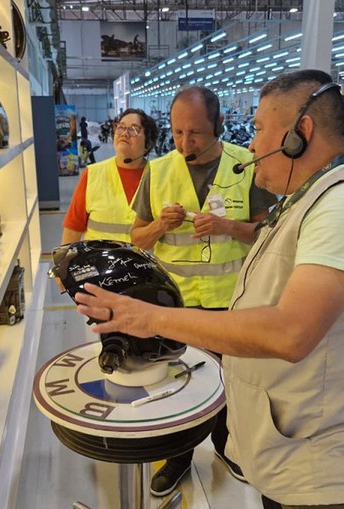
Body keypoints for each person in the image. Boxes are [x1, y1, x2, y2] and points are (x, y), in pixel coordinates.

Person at [74, 70, 344, 509]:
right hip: (290, 446)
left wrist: (148, 317)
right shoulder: (309, 200)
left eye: (258, 129)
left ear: (299, 133)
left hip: (316, 467)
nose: (251, 145)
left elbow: (290, 333)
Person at [130, 85, 278, 497]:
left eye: (194, 133)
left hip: (231, 304)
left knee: (231, 382)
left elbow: (270, 235)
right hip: (173, 306)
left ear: (219, 125)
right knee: (176, 381)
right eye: (177, 132)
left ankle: (227, 447)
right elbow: (137, 238)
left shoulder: (248, 165)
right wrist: (160, 225)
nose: (184, 143)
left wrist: (229, 226)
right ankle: (177, 455)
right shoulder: (158, 171)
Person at [62, 108, 158, 244]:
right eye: (121, 127)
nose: (124, 133)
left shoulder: (158, 177)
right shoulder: (92, 175)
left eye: (133, 129)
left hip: (145, 264)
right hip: (99, 264)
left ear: (148, 142)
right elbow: (73, 229)